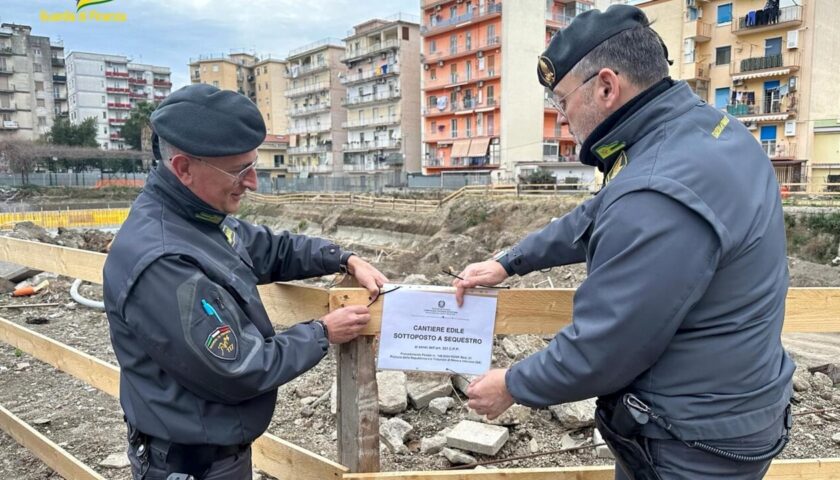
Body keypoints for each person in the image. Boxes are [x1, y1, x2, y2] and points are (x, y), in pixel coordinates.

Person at [453, 5, 793, 479]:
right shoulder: (705, 132)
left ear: (607, 87)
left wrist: (512, 384)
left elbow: (606, 345)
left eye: (562, 101)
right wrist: (509, 262)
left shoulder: (656, 189)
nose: (564, 118)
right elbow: (599, 212)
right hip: (733, 407)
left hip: (689, 442)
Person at [103, 84, 388, 479]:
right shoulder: (165, 261)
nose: (253, 182)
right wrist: (322, 333)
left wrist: (342, 257)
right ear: (184, 168)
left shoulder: (197, 219)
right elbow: (238, 367)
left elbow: (268, 248)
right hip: (191, 465)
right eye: (240, 170)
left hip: (214, 454)